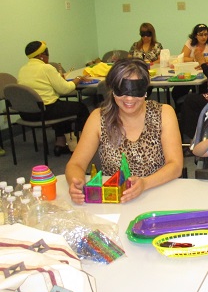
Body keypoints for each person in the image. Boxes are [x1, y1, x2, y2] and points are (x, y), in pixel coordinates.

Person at [65, 58, 183, 204]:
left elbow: (176, 165)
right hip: (115, 200)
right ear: (113, 91)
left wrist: (145, 183)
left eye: (136, 91)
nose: (129, 98)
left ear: (145, 90)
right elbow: (75, 164)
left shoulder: (164, 113)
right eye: (122, 91)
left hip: (157, 193)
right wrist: (76, 182)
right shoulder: (98, 117)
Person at [17, 41, 90, 156]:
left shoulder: (23, 69)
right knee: (81, 108)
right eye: (47, 54)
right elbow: (64, 89)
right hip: (45, 111)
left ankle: (60, 143)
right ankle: (82, 144)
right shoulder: (46, 68)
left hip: (26, 113)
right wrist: (77, 79)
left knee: (61, 107)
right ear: (42, 55)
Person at [172, 24, 208, 109]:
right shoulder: (190, 42)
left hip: (204, 73)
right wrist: (196, 59)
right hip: (190, 72)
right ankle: (180, 110)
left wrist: (203, 60)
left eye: (206, 34)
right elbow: (182, 57)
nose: (204, 37)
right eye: (201, 35)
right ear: (195, 35)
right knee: (176, 92)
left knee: (201, 90)